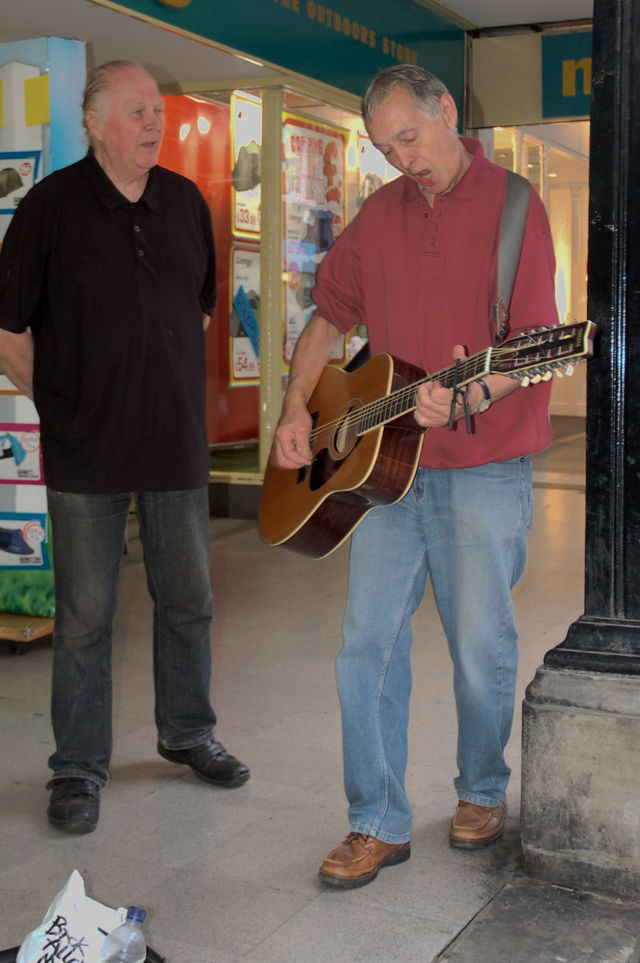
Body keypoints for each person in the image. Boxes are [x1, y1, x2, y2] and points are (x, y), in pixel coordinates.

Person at [270, 64, 558, 888]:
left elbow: (536, 347)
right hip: (383, 477)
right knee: (365, 647)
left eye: (411, 138)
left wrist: (472, 388)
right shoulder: (379, 215)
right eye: (385, 147)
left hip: (483, 469)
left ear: (446, 113)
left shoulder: (514, 209)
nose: (403, 159)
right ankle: (376, 820)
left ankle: (480, 789)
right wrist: (296, 408)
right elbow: (329, 316)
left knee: (480, 646)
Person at [0, 60, 249, 835]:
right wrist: (62, 403)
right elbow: (8, 328)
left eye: (159, 112)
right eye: (139, 111)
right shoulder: (49, 207)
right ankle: (77, 766)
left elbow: (201, 307)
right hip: (86, 451)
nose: (155, 123)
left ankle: (188, 732)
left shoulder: (184, 201)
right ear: (96, 121)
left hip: (175, 444)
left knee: (188, 602)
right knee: (84, 616)